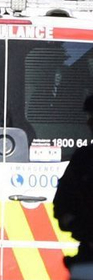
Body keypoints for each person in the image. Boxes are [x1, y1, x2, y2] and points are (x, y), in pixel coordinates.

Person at [55, 95, 93, 263]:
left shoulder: (84, 158)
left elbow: (63, 206)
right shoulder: (84, 158)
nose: (88, 123)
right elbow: (63, 204)